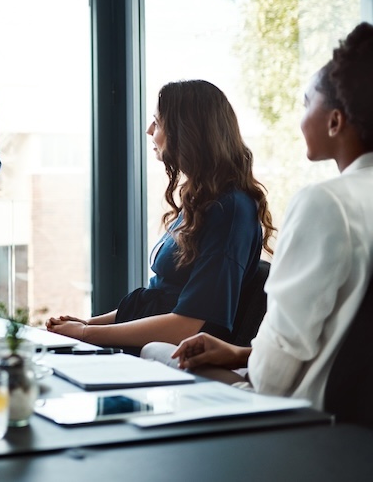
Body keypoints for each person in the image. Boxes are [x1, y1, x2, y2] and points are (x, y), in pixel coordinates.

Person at [164, 23, 373, 410]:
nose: (300, 118)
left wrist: (251, 365)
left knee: (155, 356)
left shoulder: (327, 203)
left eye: (307, 102)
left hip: (305, 420)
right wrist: (240, 353)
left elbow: (273, 377)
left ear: (335, 121)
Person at [47, 80, 275, 348]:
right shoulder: (201, 201)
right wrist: (88, 324)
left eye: (157, 122)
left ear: (186, 132)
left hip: (172, 360)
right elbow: (160, 299)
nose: (149, 130)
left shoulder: (229, 210)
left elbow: (186, 326)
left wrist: (86, 335)